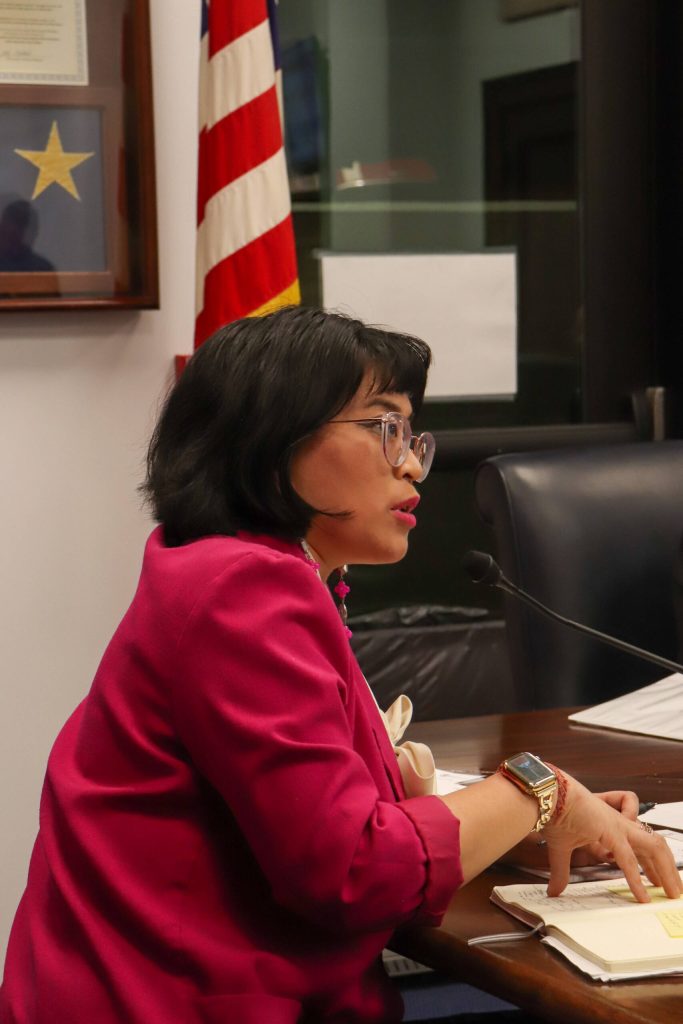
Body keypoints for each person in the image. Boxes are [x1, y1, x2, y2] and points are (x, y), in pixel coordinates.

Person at [1, 307, 680, 1024]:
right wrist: (536, 792)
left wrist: (525, 828)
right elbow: (350, 871)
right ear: (271, 438)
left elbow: (333, 812)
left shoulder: (239, 569)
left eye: (411, 432)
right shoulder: (245, 593)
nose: (413, 461)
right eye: (382, 426)